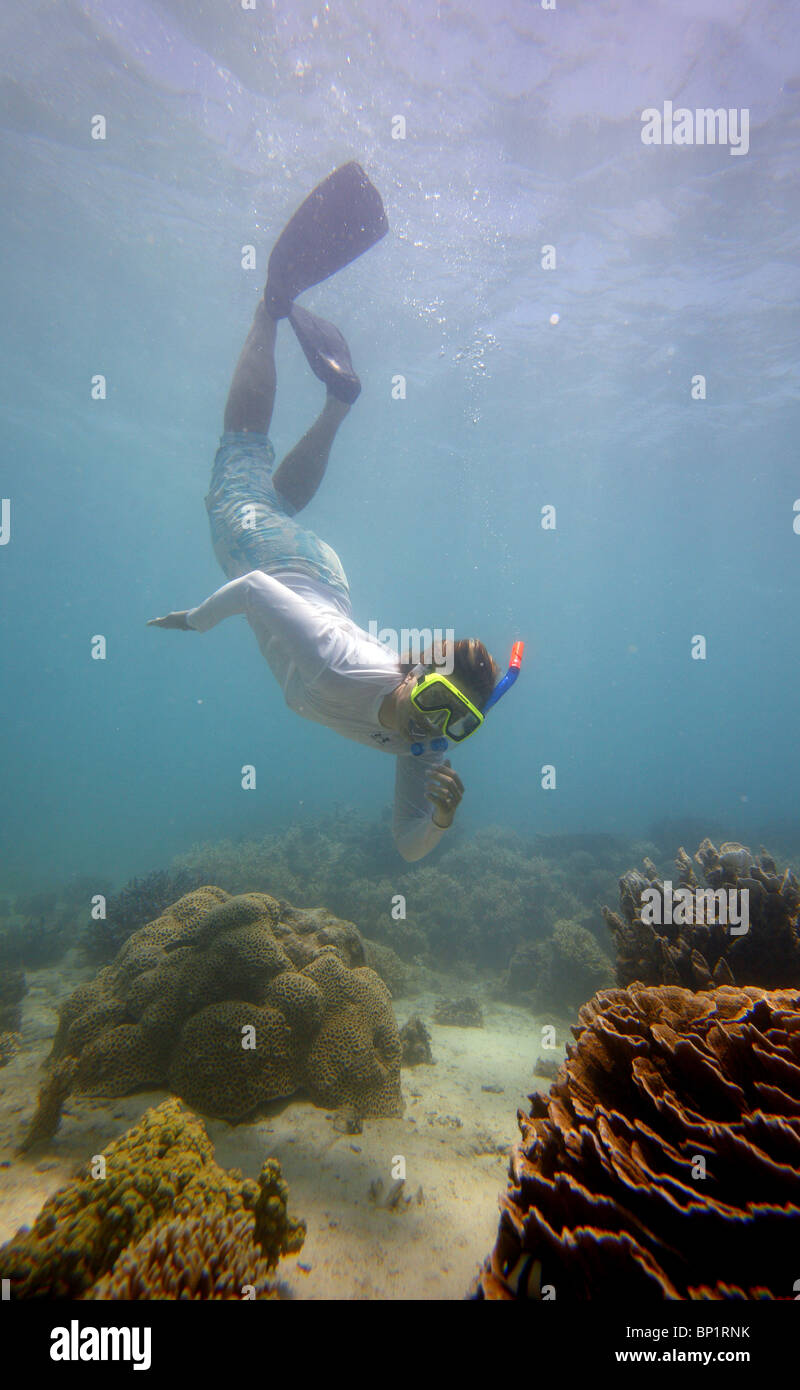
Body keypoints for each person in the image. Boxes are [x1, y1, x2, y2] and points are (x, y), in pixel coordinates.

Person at [149, 162, 502, 862]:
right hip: (277, 567)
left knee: (271, 499)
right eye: (435, 700)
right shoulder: (348, 674)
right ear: (415, 677)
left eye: (454, 722)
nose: (430, 725)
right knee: (237, 481)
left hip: (321, 579)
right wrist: (195, 621)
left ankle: (339, 403)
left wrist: (440, 819)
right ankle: (269, 308)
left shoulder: (418, 738)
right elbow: (252, 591)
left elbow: (407, 846)